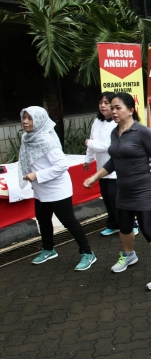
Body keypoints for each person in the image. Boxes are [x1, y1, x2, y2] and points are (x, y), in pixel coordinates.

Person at [83, 92, 151, 290]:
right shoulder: (114, 132)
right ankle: (128, 255)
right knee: (124, 227)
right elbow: (113, 161)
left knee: (149, 230)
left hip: (142, 189)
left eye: (117, 108)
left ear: (131, 110)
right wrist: (95, 176)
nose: (113, 111)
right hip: (123, 190)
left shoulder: (142, 132)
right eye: (112, 108)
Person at [20, 106, 97, 271]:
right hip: (40, 188)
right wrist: (33, 178)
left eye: (30, 118)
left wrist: (37, 175)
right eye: (24, 117)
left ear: (39, 121)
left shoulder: (47, 141)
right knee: (43, 219)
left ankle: (88, 253)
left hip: (56, 188)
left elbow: (62, 165)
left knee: (68, 221)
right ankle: (48, 249)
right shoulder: (27, 137)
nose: (25, 121)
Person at [84, 92, 120, 236]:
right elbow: (92, 143)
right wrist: (87, 159)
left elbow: (109, 146)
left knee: (115, 198)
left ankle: (129, 223)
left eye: (106, 103)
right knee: (107, 198)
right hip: (101, 169)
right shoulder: (97, 121)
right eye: (100, 103)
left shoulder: (116, 123)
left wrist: (90, 143)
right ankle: (113, 224)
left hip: (115, 169)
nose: (103, 106)